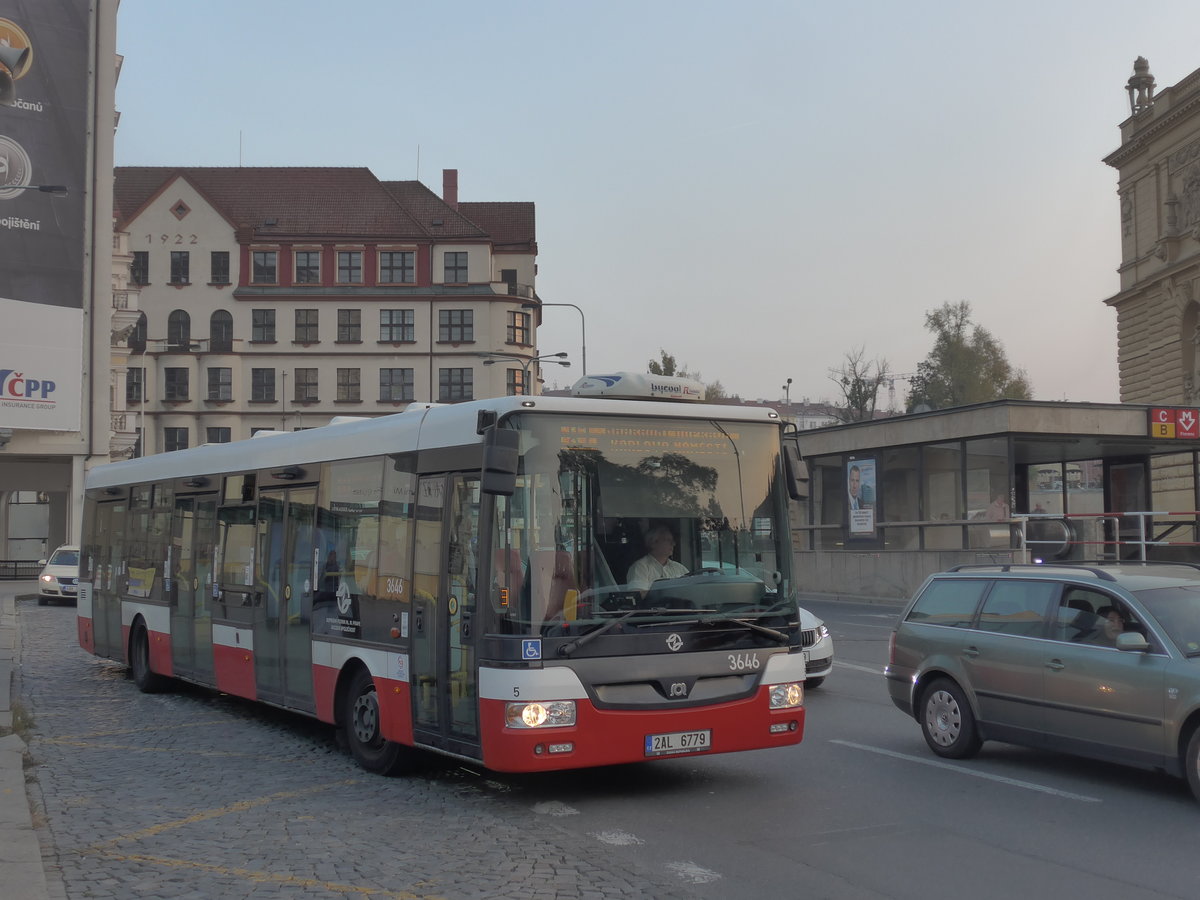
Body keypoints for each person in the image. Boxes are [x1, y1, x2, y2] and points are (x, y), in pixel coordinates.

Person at [626, 525, 688, 592]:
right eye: (668, 540)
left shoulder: (679, 568)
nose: (673, 544)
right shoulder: (640, 568)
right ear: (653, 543)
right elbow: (638, 596)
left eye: (672, 540)